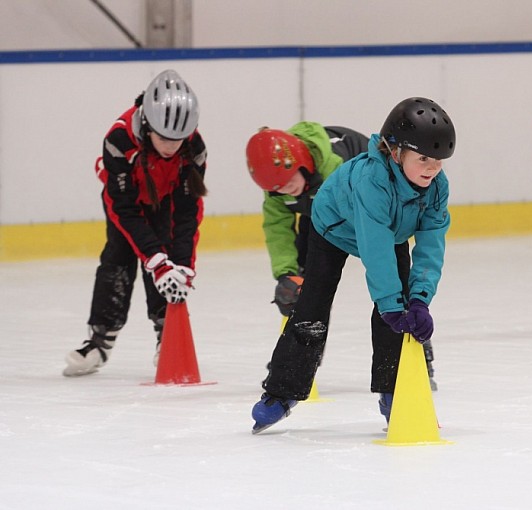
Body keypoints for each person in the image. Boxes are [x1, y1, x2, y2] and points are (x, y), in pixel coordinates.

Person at [251, 97, 456, 433]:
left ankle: (394, 390)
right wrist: (391, 305)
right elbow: (375, 249)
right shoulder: (372, 183)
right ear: (394, 152)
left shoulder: (436, 188)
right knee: (312, 306)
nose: (432, 168)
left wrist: (420, 298)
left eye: (439, 161)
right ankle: (283, 390)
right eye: (423, 159)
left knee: (403, 307)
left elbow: (432, 243)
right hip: (332, 227)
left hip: (389, 233)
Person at [63, 69, 207, 376]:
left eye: (179, 139)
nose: (172, 146)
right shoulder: (119, 139)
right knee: (118, 256)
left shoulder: (194, 149)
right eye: (165, 138)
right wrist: (157, 263)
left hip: (164, 199)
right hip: (124, 202)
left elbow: (187, 212)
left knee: (170, 260)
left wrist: (183, 266)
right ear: (148, 124)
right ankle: (100, 340)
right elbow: (123, 209)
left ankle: (167, 336)